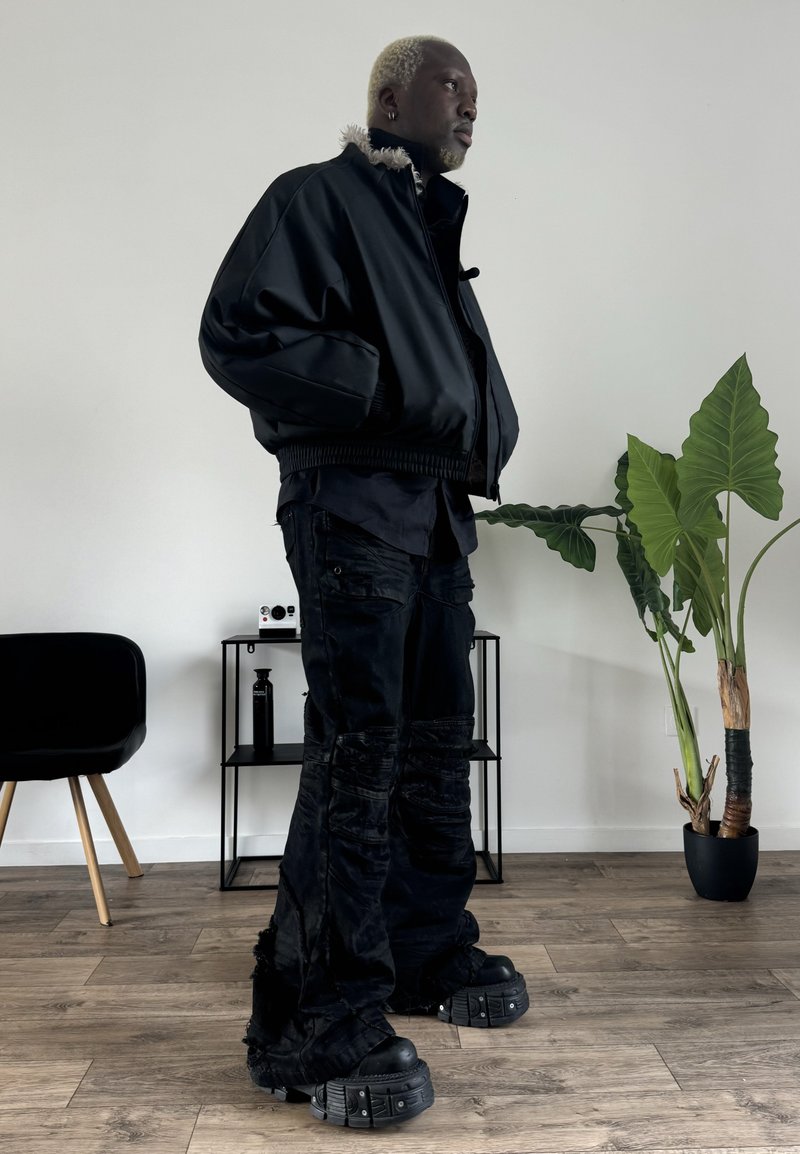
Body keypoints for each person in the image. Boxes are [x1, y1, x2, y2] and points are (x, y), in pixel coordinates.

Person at [199, 35, 524, 1129]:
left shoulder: (423, 219)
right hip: (349, 501)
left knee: (435, 743)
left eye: (475, 92)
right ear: (388, 97)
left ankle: (427, 948)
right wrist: (376, 384)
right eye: (449, 85)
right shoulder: (317, 197)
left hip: (433, 511)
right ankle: (315, 1020)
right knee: (359, 752)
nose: (467, 103)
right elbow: (238, 332)